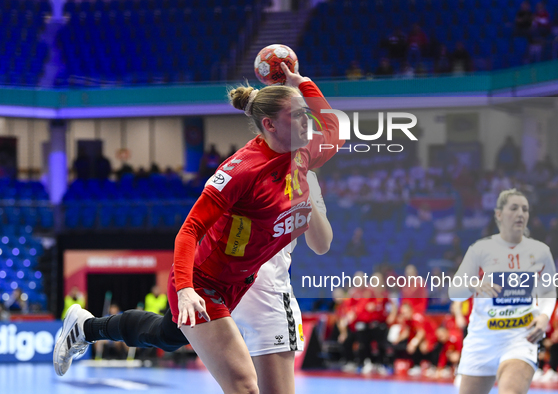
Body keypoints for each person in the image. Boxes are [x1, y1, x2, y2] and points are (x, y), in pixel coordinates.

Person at [54, 63, 343, 394]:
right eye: (298, 117)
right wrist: (187, 289)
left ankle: (86, 326)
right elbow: (189, 229)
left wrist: (302, 83)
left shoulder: (303, 152)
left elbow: (336, 130)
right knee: (245, 387)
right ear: (270, 124)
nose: (309, 123)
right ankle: (89, 326)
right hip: (203, 283)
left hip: (237, 282)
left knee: (167, 334)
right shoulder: (242, 172)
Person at [230, 170, 332, 394]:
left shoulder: (308, 177)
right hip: (225, 290)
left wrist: (303, 187)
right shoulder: (242, 166)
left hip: (266, 296)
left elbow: (321, 244)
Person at [449, 189, 557, 394]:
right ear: (499, 214)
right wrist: (472, 285)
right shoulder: (480, 250)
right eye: (514, 208)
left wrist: (544, 316)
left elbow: (548, 290)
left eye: (525, 209)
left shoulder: (541, 252)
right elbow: (454, 292)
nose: (521, 214)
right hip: (482, 340)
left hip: (520, 338)